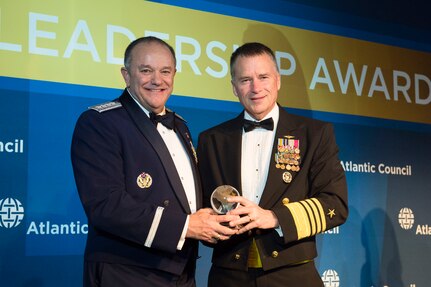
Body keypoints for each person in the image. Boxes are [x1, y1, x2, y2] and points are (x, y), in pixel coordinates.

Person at [71, 36, 237, 287]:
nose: (157, 80)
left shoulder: (180, 125)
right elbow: (106, 206)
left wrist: (216, 220)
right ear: (126, 75)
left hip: (182, 271)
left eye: (165, 71)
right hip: (127, 272)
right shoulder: (100, 122)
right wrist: (187, 226)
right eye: (146, 70)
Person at [197, 42, 348, 286]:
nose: (255, 88)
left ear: (277, 80)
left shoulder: (315, 134)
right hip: (228, 275)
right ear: (234, 87)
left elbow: (336, 204)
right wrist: (219, 226)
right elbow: (204, 208)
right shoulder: (211, 139)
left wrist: (274, 217)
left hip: (293, 274)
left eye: (263, 77)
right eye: (245, 79)